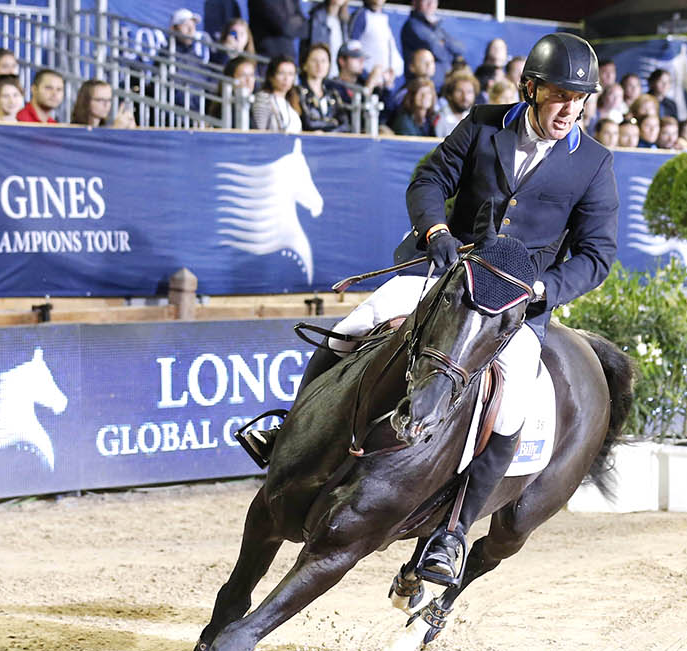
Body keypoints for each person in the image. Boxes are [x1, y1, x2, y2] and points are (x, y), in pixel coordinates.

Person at [239, 32, 618, 590]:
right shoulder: (486, 122)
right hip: (444, 276)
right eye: (559, 94)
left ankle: (453, 532)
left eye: (579, 98)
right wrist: (434, 228)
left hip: (514, 306)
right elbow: (430, 179)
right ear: (531, 88)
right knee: (351, 327)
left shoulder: (592, 162)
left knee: (511, 401)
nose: (569, 108)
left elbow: (596, 255)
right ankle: (289, 435)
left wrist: (540, 289)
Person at [400, 0, 461, 86]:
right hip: (420, 87)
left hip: (440, 88)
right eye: (426, 0)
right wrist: (449, 52)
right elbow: (440, 53)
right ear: (414, 2)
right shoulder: (412, 26)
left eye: (434, 0)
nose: (431, 3)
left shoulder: (436, 27)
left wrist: (445, 42)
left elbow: (460, 49)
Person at [348, 0, 400, 89]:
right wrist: (367, 76)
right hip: (366, 82)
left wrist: (392, 73)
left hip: (384, 82)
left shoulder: (383, 17)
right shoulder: (361, 15)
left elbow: (391, 49)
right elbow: (352, 48)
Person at [296, 43, 341, 131]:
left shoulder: (333, 94)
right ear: (304, 65)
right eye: (314, 60)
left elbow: (345, 124)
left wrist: (327, 132)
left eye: (323, 61)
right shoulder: (297, 92)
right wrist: (333, 123)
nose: (319, 65)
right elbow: (308, 123)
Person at [252, 54, 301, 132]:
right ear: (271, 76)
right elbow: (259, 132)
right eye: (281, 73)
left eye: (290, 74)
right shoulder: (264, 97)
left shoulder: (292, 101)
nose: (286, 78)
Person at [302, 0, 345, 76]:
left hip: (336, 74)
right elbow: (315, 49)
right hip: (319, 73)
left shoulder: (343, 20)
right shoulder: (317, 16)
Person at [435, 69, 476, 137]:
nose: (465, 97)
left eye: (469, 92)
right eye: (459, 91)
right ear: (450, 94)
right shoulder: (440, 118)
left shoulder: (474, 118)